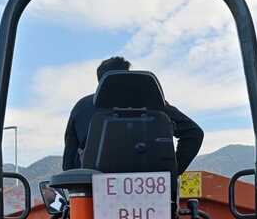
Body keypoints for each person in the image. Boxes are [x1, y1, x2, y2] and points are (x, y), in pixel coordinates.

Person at [62, 56, 204, 171]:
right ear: (127, 75)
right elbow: (194, 133)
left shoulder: (81, 107)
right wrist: (172, 170)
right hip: (151, 184)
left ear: (100, 81)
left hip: (92, 187)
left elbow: (68, 162)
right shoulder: (153, 101)